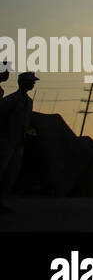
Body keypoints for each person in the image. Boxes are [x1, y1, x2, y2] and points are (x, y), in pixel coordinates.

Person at [0, 72, 38, 213]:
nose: (33, 84)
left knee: (11, 173)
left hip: (18, 142)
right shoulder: (12, 99)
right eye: (31, 82)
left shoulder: (28, 101)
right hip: (6, 140)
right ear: (23, 83)